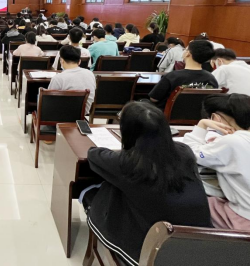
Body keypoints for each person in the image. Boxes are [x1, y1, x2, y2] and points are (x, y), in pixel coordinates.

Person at [83, 102, 212, 266]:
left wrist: (126, 150)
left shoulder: (128, 164)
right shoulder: (184, 151)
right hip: (201, 244)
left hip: (155, 252)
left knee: (101, 190)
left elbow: (93, 154)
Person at [183, 94, 250, 233]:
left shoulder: (231, 142)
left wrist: (202, 124)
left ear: (215, 118)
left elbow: (190, 153)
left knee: (188, 203)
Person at [149, 40, 218, 109]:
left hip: (169, 114)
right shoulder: (211, 78)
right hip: (199, 114)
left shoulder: (172, 76)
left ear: (187, 53)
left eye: (185, 49)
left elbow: (154, 98)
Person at [49, 46, 96, 112]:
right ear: (79, 61)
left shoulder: (58, 78)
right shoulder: (90, 74)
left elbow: (50, 101)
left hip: (61, 114)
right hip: (83, 113)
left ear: (61, 60)